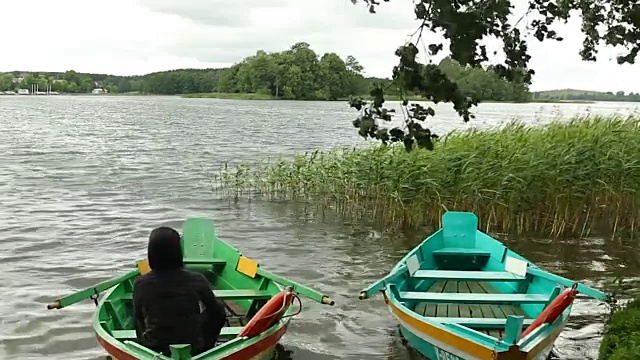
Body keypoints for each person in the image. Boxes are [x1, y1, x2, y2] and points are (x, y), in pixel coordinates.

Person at [133, 226, 227, 356]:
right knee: (219, 308)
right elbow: (216, 312)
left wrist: (144, 345)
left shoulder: (140, 283)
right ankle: (206, 349)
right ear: (178, 251)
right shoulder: (197, 279)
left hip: (156, 347)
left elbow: (138, 318)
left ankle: (147, 350)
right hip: (193, 346)